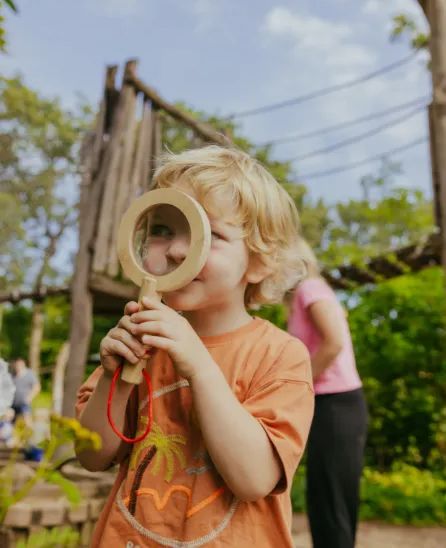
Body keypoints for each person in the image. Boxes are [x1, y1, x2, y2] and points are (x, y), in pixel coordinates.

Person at [76, 146, 315, 547]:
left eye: (212, 234)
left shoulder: (280, 355)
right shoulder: (142, 338)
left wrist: (200, 367)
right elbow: (92, 455)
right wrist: (114, 381)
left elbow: (254, 479)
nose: (176, 250)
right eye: (162, 230)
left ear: (259, 262)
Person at [286, 239, 368, 548]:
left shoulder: (310, 288)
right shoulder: (301, 298)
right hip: (327, 404)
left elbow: (333, 342)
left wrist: (296, 385)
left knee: (332, 500)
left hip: (337, 404)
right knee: (324, 497)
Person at [11, 358, 41, 426]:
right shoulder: (12, 374)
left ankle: (30, 434)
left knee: (27, 419)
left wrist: (29, 398)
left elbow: (37, 387)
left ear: (23, 365)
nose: (17, 367)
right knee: (11, 421)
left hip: (24, 402)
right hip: (13, 403)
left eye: (19, 365)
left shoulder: (29, 374)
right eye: (16, 365)